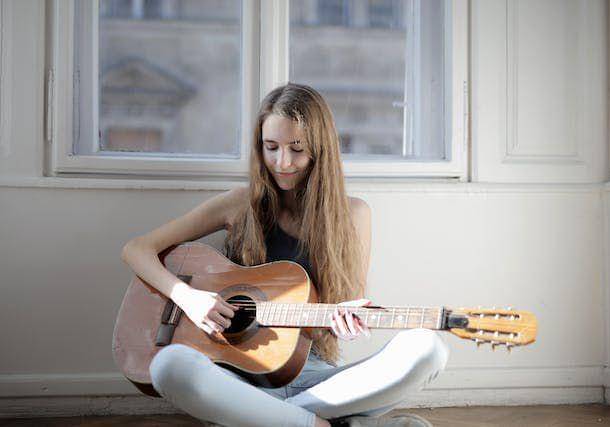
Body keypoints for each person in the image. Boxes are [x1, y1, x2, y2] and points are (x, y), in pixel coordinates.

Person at [120, 83, 449, 427]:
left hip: (315, 379)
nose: (282, 162)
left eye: (297, 149)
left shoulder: (353, 215)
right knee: (168, 367)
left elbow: (348, 305)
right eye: (271, 147)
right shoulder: (239, 204)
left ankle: (269, 419)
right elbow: (137, 249)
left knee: (429, 349)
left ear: (320, 150)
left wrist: (346, 323)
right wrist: (188, 298)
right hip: (234, 379)